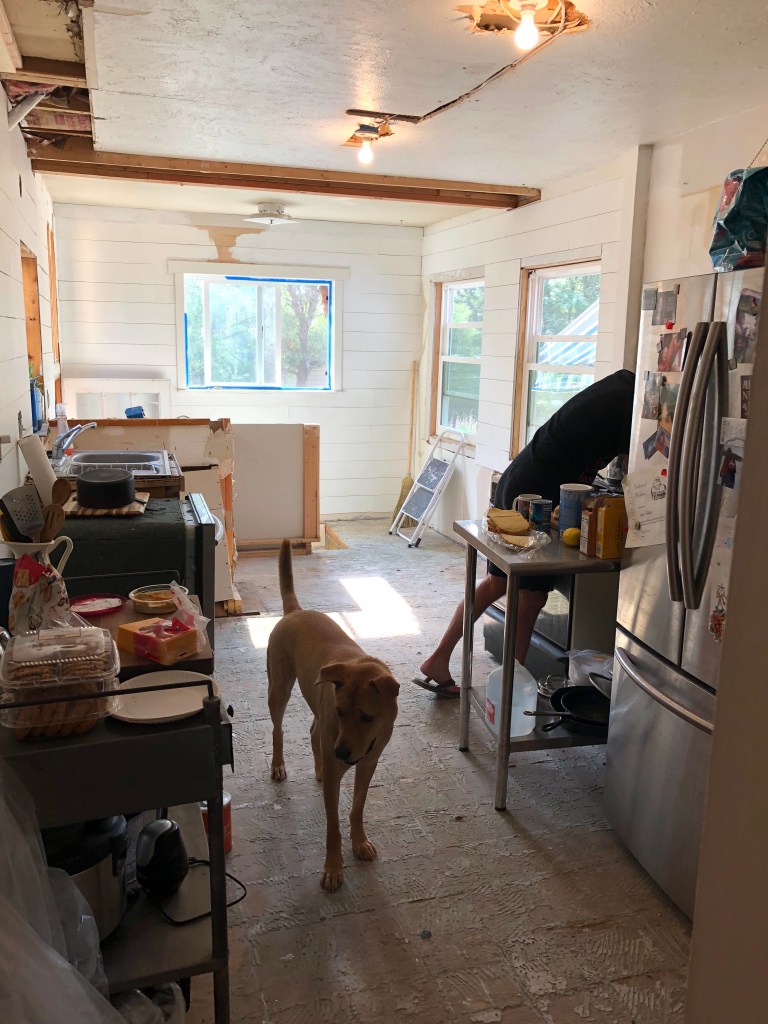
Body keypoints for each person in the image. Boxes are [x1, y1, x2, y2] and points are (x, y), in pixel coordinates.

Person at [414, 369, 636, 698]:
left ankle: (442, 660)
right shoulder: (632, 403)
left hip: (520, 478)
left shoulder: (622, 388)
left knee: (500, 584)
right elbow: (638, 473)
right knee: (531, 595)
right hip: (535, 494)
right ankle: (509, 686)